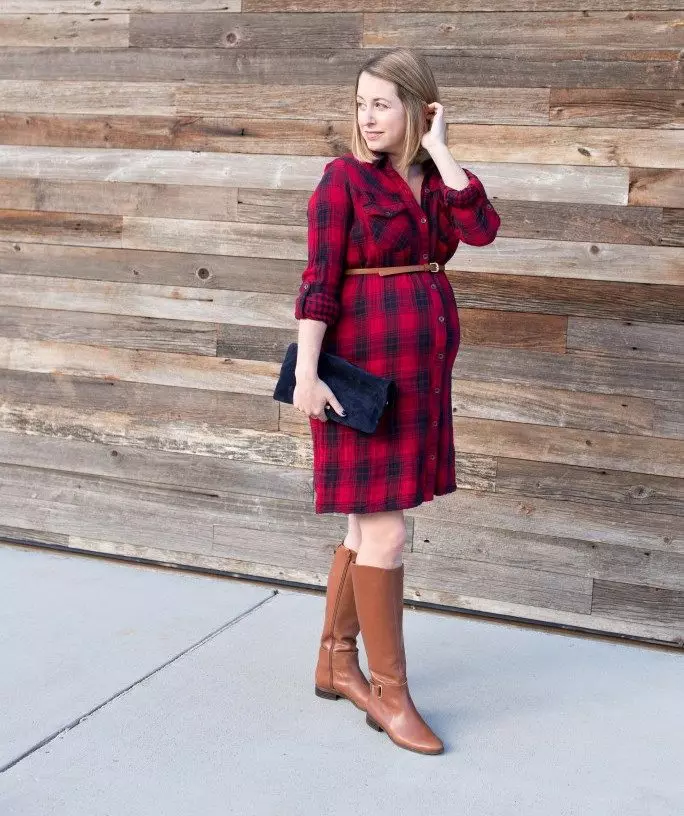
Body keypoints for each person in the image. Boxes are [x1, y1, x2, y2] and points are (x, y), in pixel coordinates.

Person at [291, 48, 501, 755]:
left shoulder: (434, 185)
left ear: (419, 107)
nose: (367, 117)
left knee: (364, 533)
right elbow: (318, 283)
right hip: (359, 377)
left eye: (382, 103)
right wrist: (307, 375)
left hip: (419, 381)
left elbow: (481, 230)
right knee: (386, 534)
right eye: (361, 104)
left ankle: (334, 661)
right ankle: (389, 692)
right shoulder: (342, 181)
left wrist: (440, 153)